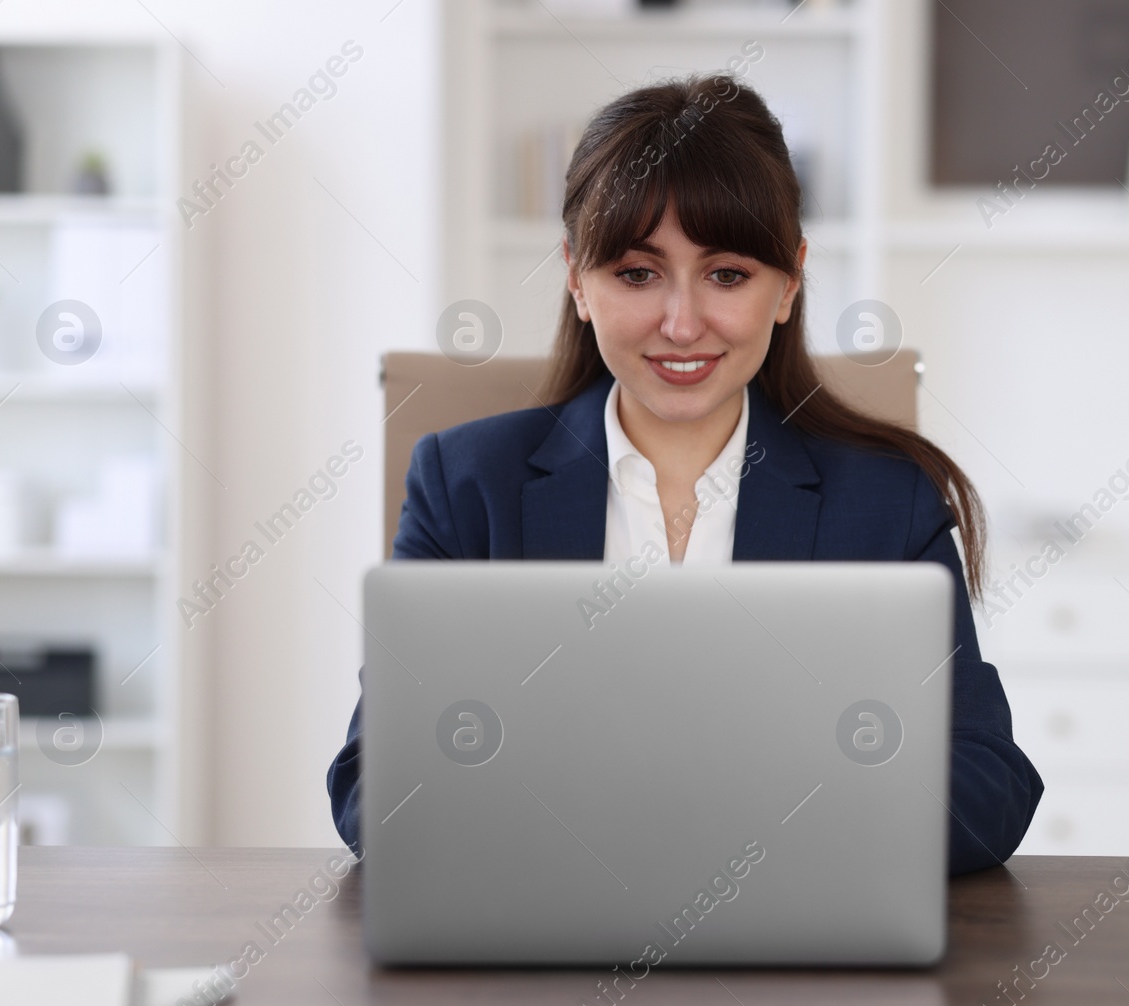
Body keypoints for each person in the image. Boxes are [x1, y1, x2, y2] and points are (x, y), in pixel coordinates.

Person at [327, 72, 1042, 875]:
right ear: (576, 277)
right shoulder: (466, 486)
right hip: (541, 961)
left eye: (727, 274)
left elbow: (989, 790)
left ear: (790, 282)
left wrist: (722, 830)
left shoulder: (885, 503)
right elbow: (376, 790)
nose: (681, 322)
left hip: (792, 954)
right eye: (638, 273)